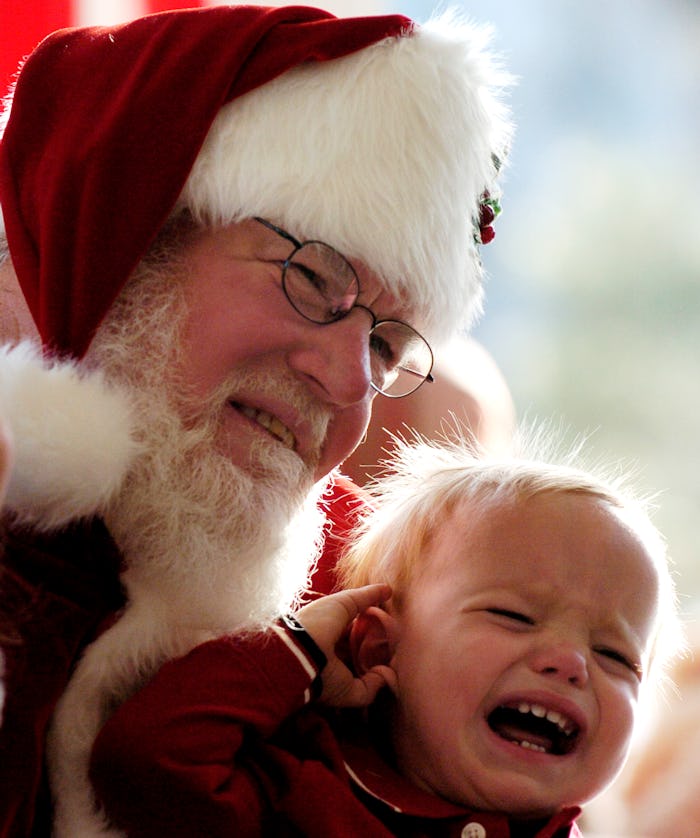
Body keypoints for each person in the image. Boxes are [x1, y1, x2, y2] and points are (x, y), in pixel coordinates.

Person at [0, 4, 513, 836]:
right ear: (132, 239)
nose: (351, 383)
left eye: (385, 349)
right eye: (314, 278)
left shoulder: (355, 651)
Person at [86, 431, 684, 837]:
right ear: (377, 645)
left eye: (615, 656)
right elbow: (142, 759)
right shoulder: (304, 794)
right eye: (514, 617)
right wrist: (294, 650)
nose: (570, 662)